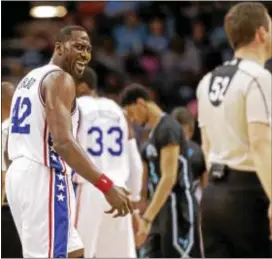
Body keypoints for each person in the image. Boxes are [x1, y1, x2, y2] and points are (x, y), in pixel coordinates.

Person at [5, 25, 133, 258]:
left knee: (74, 251)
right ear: (59, 48)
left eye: (88, 48)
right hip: (43, 176)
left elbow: (9, 134)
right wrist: (106, 185)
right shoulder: (60, 79)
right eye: (78, 46)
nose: (84, 53)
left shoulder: (29, 79)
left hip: (21, 173)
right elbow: (63, 142)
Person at [196, 2, 272, 257]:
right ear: (261, 33)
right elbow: (260, 143)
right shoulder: (259, 78)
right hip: (248, 194)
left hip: (213, 196)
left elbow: (206, 146)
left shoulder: (207, 80)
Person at [120, 84, 201, 258]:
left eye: (131, 112)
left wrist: (147, 218)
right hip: (160, 207)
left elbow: (169, 177)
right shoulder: (153, 133)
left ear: (141, 103)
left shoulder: (168, 127)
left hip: (177, 207)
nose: (132, 119)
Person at [72, 67, 143, 258]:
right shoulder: (118, 111)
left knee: (77, 253)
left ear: (82, 87)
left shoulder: (74, 107)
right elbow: (134, 159)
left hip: (89, 187)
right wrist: (135, 203)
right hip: (121, 191)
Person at [1, 82, 23, 258]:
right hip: (37, 203)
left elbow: (3, 176)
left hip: (10, 207)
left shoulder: (4, 128)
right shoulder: (30, 125)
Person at [171, 107, 207, 202]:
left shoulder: (198, 151)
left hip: (192, 196)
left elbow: (205, 182)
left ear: (190, 132)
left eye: (182, 134)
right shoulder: (162, 150)